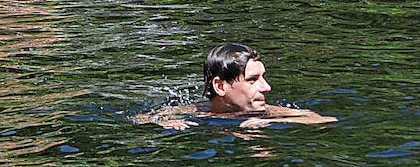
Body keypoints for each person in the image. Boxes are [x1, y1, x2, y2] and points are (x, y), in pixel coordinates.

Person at [139, 43, 336, 129]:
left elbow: (324, 119)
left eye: (263, 77)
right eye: (253, 80)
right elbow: (138, 119)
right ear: (220, 86)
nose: (267, 87)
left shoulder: (269, 113)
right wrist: (161, 122)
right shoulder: (197, 111)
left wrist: (278, 122)